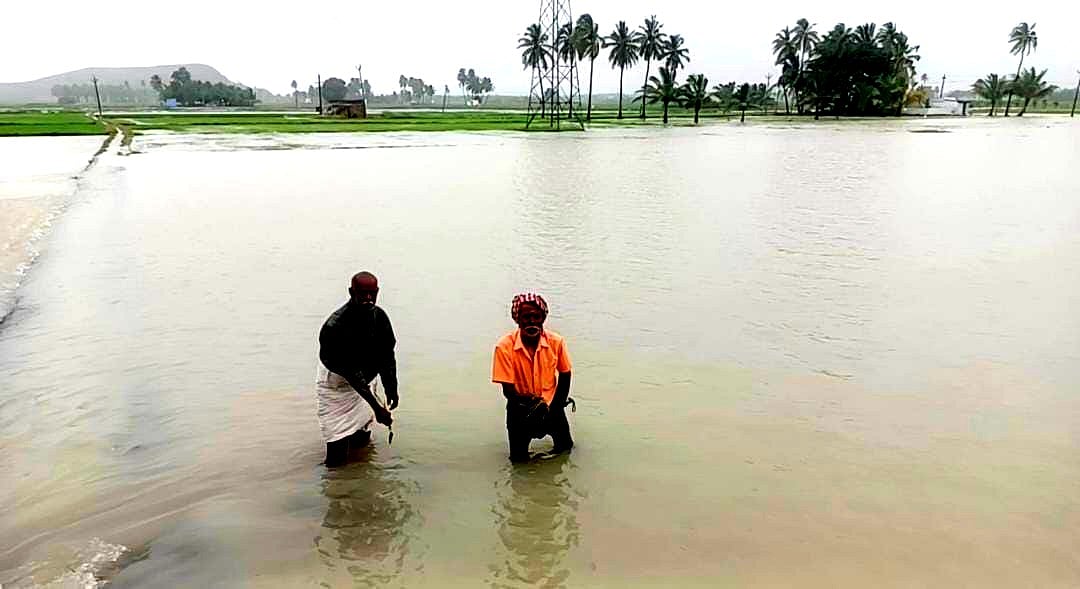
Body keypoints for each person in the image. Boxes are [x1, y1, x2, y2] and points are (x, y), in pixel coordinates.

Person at [317, 271, 398, 467]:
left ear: (377, 292)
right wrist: (378, 408)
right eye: (362, 293)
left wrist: (391, 387)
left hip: (366, 380)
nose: (368, 299)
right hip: (337, 385)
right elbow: (351, 374)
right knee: (336, 456)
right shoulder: (335, 326)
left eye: (372, 293)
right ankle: (338, 492)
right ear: (351, 292)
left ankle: (359, 489)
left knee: (362, 445)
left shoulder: (379, 317)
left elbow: (387, 355)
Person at [492, 293, 574, 462]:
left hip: (553, 406)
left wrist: (556, 407)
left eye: (536, 317)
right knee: (518, 461)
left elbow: (565, 375)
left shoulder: (556, 342)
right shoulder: (504, 347)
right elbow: (508, 390)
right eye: (526, 317)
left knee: (567, 450)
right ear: (517, 320)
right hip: (520, 409)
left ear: (543, 319)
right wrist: (528, 406)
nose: (531, 322)